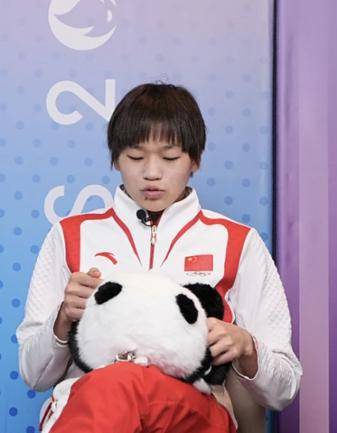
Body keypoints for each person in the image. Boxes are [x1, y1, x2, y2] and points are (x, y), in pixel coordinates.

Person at [17, 83, 302, 433]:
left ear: (195, 160)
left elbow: (285, 388)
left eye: (169, 158)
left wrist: (247, 348)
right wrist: (62, 320)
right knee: (114, 386)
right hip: (91, 406)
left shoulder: (238, 242)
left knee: (123, 384)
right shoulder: (70, 235)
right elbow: (33, 375)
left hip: (193, 412)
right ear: (116, 159)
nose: (152, 173)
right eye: (136, 157)